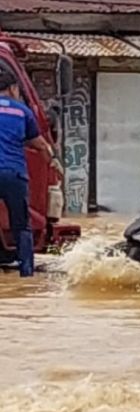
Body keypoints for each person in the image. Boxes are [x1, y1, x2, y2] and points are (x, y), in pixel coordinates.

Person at [0, 70, 62, 277]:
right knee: (22, 226)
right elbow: (41, 145)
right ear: (13, 89)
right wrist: (53, 163)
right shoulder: (22, 111)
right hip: (14, 175)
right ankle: (26, 274)